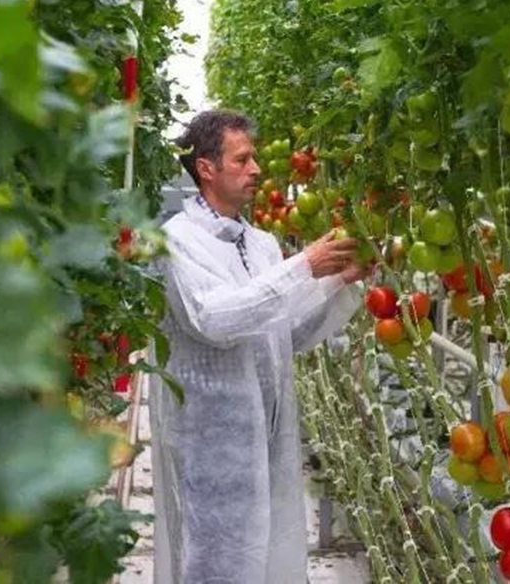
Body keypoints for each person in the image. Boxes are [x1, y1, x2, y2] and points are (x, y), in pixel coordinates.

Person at [148, 109, 368, 583]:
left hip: (265, 438)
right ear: (206, 168)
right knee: (215, 560)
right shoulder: (176, 242)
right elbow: (215, 318)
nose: (256, 170)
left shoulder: (262, 243)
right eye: (242, 159)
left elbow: (282, 332)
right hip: (211, 445)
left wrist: (339, 282)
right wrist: (305, 265)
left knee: (266, 554)